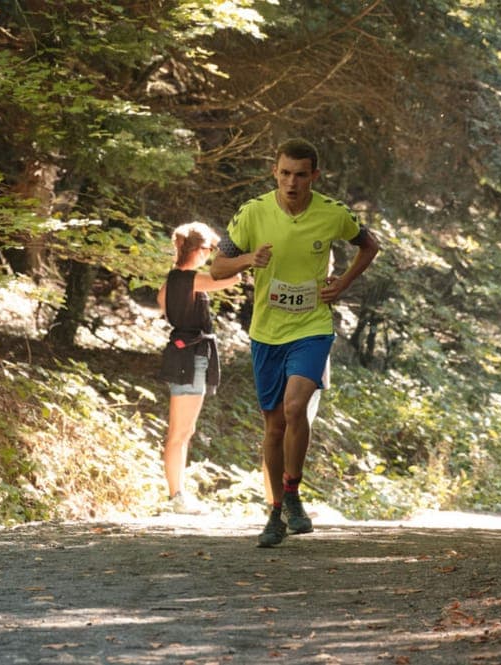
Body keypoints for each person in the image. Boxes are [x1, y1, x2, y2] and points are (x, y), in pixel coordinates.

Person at [210, 139, 380, 546]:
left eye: (300, 174)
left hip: (312, 327)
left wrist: (343, 282)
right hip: (267, 332)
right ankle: (274, 514)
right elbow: (217, 268)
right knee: (273, 426)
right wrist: (248, 260)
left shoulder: (332, 213)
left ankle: (292, 492)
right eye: (285, 173)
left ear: (313, 176)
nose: (291, 182)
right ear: (275, 172)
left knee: (295, 406)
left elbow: (369, 244)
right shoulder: (253, 213)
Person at [157, 222, 240, 514]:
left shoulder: (170, 282)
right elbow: (233, 277)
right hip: (191, 358)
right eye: (209, 249)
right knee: (179, 432)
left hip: (180, 355)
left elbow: (163, 305)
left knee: (183, 430)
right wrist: (233, 253)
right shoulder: (193, 279)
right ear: (198, 249)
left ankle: (178, 494)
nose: (210, 254)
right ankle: (176, 496)